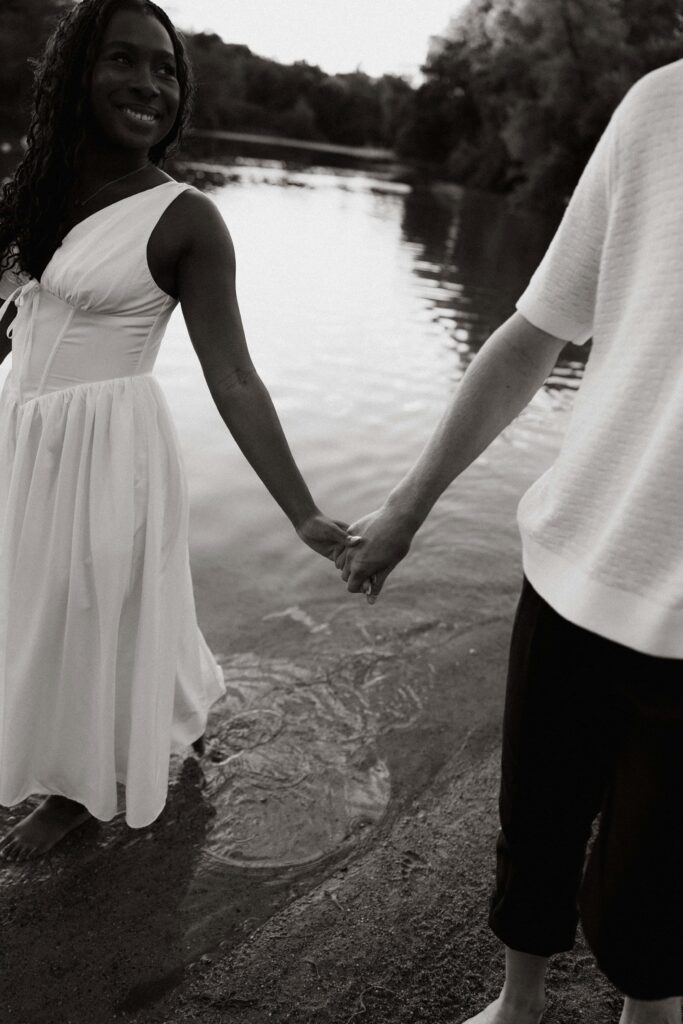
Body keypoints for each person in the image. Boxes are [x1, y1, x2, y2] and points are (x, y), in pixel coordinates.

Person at [339, 60, 683, 1024]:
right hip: (576, 558)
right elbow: (535, 332)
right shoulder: (660, 106)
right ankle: (516, 1004)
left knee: (656, 893)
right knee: (535, 825)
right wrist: (408, 508)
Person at [0, 0, 354, 862]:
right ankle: (182, 701)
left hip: (109, 443)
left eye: (165, 70)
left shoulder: (188, 218)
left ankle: (83, 786)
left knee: (90, 601)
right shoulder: (30, 190)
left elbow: (232, 376)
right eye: (124, 61)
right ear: (77, 74)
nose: (148, 84)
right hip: (21, 430)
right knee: (28, 596)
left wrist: (304, 514)